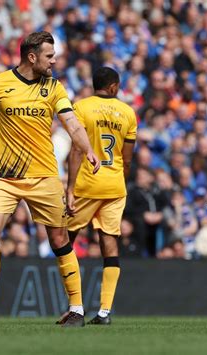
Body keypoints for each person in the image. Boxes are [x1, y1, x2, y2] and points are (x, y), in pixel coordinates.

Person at [0, 31, 100, 328]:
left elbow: (72, 123)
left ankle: (76, 308)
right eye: (50, 56)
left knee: (59, 240)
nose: (55, 60)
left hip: (44, 177)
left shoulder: (54, 88)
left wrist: (87, 149)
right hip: (6, 178)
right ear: (32, 56)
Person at [60, 67, 137, 325]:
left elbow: (76, 152)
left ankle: (76, 307)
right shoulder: (128, 113)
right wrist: (118, 180)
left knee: (63, 241)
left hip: (86, 184)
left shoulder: (80, 108)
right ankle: (104, 312)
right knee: (109, 244)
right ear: (114, 87)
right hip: (115, 186)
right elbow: (127, 159)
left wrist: (70, 188)